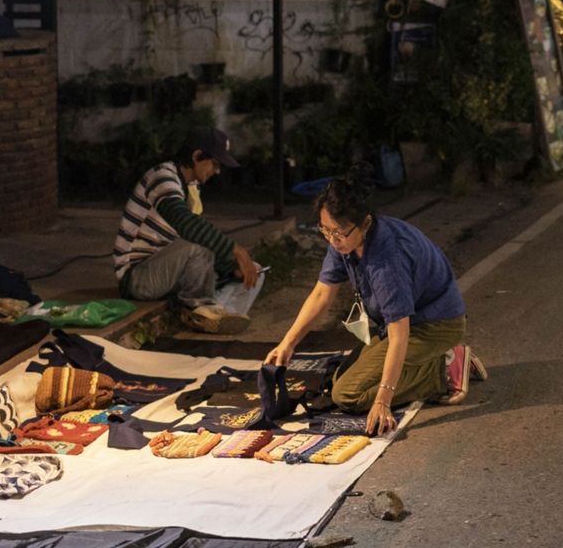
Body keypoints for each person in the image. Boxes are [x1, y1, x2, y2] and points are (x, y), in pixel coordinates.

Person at [267, 170, 484, 435]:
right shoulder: (344, 240)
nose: (333, 241)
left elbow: (399, 333)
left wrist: (383, 400)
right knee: (340, 379)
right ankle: (432, 363)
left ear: (366, 224)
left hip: (435, 325)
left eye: (339, 233)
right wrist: (287, 343)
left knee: (349, 395)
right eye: (325, 230)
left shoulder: (387, 259)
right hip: (402, 323)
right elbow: (322, 293)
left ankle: (445, 368)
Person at [115, 128, 260, 334]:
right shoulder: (162, 177)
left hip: (170, 272)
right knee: (201, 245)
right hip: (138, 278)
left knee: (253, 270)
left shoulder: (190, 187)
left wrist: (232, 266)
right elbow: (185, 224)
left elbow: (197, 254)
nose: (217, 171)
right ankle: (200, 308)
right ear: (196, 156)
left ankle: (218, 313)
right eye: (215, 164)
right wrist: (236, 250)